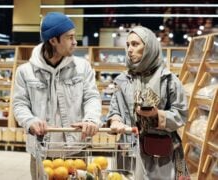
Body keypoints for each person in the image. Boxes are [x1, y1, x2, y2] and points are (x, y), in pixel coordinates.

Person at [12, 12, 102, 179]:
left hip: (76, 149)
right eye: (69, 37)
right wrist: (30, 121)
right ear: (53, 40)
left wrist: (91, 119)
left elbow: (92, 97)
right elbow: (19, 104)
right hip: (41, 151)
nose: (75, 42)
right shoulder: (25, 72)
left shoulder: (82, 68)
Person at [106, 26, 190, 179]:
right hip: (127, 153)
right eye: (128, 45)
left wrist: (157, 115)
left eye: (135, 44)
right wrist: (116, 121)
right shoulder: (122, 80)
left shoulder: (169, 80)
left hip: (160, 156)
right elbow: (115, 110)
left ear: (149, 46)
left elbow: (181, 114)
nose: (130, 49)